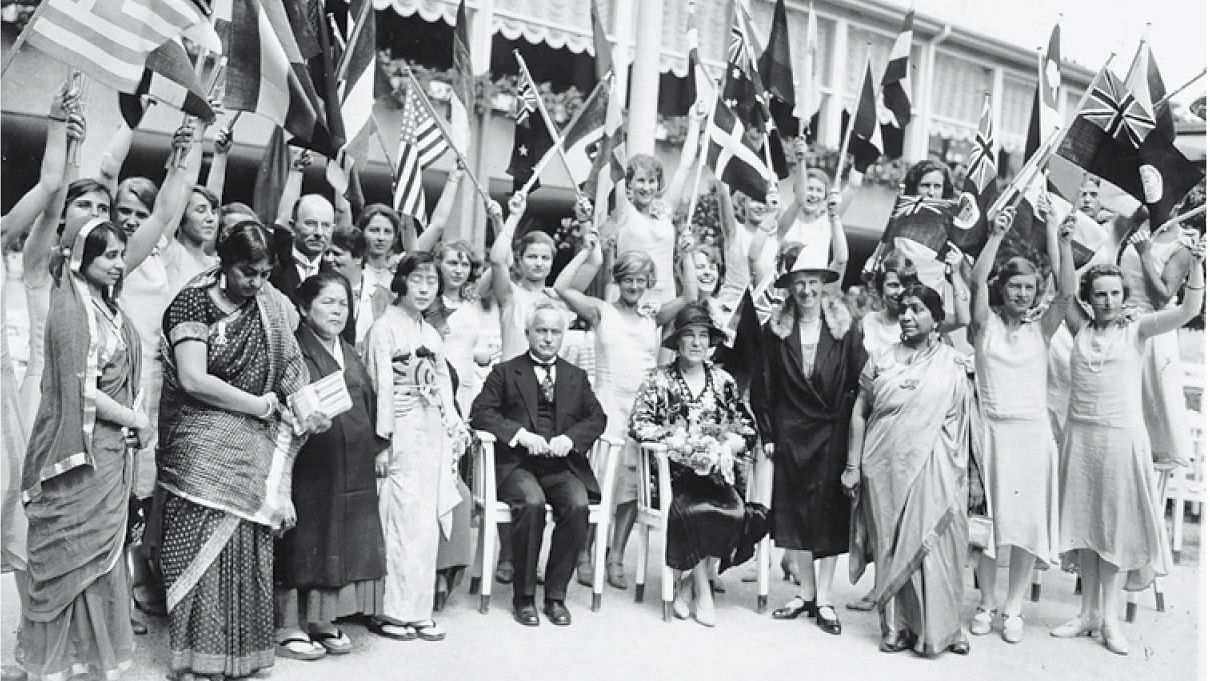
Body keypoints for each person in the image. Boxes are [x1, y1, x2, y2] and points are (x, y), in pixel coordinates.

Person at [157, 221, 325, 680]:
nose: (256, 282)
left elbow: (289, 364)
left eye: (265, 273)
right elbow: (193, 380)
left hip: (255, 440)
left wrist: (306, 407)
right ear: (224, 262)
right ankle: (195, 660)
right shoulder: (192, 302)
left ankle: (239, 658)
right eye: (247, 272)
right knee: (199, 547)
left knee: (246, 546)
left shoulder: (270, 304)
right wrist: (257, 405)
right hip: (198, 436)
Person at [1051, 250, 1205, 656]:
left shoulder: (1137, 329)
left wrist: (1198, 265)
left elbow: (1190, 308)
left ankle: (1109, 620)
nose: (1108, 301)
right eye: (1100, 294)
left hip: (1120, 441)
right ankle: (1085, 614)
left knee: (1113, 530)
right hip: (1081, 438)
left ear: (1125, 295)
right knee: (1084, 528)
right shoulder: (1079, 324)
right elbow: (1064, 288)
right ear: (1089, 297)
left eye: (1115, 293)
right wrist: (1063, 243)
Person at [16, 218, 147, 681]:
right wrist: (134, 418)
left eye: (120, 254)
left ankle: (91, 664)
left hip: (111, 454)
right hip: (79, 456)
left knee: (102, 563)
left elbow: (125, 378)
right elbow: (79, 389)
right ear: (80, 256)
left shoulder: (109, 307)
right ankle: (55, 668)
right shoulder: (71, 308)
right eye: (108, 254)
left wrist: (134, 423)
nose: (118, 263)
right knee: (70, 554)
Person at [555, 233, 698, 589]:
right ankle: (585, 553)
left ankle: (616, 554)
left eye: (641, 280)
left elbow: (692, 296)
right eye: (628, 279)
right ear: (618, 281)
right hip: (605, 403)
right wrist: (589, 253)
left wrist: (687, 256)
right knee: (599, 480)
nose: (634, 285)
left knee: (632, 486)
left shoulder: (654, 316)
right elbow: (560, 287)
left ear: (649, 284)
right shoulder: (600, 311)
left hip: (641, 406)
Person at [843, 283, 975, 656]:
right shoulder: (881, 357)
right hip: (882, 465)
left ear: (936, 319)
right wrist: (852, 466)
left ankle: (944, 628)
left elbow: (963, 423)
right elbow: (859, 412)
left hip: (937, 467)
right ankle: (895, 627)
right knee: (889, 543)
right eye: (903, 309)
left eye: (916, 309)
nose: (906, 315)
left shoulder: (952, 362)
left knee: (940, 544)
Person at [967, 206, 1075, 643]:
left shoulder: (1042, 329)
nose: (1024, 294)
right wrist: (994, 235)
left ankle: (1013, 608)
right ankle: (986, 603)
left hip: (1031, 437)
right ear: (1003, 288)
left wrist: (1062, 243)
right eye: (1016, 286)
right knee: (991, 525)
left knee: (1025, 525)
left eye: (1030, 288)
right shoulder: (984, 325)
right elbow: (975, 279)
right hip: (992, 433)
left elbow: (1067, 294)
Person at [752, 220, 864, 636]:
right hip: (792, 431)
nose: (807, 291)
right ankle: (805, 593)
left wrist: (855, 442)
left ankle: (827, 598)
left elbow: (860, 381)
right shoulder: (775, 331)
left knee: (830, 515)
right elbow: (762, 386)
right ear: (789, 287)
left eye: (814, 282)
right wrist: (767, 435)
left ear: (824, 285)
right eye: (799, 283)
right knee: (796, 513)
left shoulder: (846, 327)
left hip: (832, 431)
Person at [628, 303, 767, 627]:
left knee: (735, 512)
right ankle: (704, 591)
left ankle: (690, 584)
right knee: (696, 510)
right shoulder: (658, 380)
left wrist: (728, 442)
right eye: (688, 335)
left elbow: (746, 427)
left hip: (717, 476)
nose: (696, 343)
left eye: (703, 336)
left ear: (711, 342)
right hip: (672, 477)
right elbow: (638, 425)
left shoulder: (723, 381)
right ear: (677, 342)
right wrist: (677, 438)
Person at [470, 302, 607, 627]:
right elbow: (481, 412)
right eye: (541, 331)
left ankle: (556, 596)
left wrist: (570, 439)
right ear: (528, 332)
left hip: (561, 465)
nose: (547, 338)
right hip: (518, 465)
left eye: (554, 332)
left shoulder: (576, 376)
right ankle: (524, 597)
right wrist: (519, 434)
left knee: (577, 505)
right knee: (531, 503)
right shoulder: (505, 372)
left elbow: (597, 417)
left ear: (563, 336)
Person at [274, 273, 388, 660]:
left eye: (343, 303)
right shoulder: (292, 349)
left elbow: (369, 402)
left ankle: (322, 620)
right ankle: (288, 624)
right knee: (304, 536)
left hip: (351, 460)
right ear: (304, 309)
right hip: (308, 460)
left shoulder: (349, 351)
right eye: (327, 302)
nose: (337, 310)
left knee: (339, 537)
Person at [364, 252, 469, 642]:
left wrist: (455, 424)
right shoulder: (384, 330)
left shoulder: (431, 334)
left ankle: (418, 609)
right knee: (398, 520)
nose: (425, 288)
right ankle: (391, 610)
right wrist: (383, 442)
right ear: (401, 282)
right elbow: (380, 389)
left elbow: (442, 386)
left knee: (424, 524)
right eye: (417, 279)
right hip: (400, 433)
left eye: (432, 281)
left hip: (430, 433)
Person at [1118, 200, 1202, 468]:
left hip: (1155, 328)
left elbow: (1161, 297)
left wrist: (1145, 254)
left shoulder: (1182, 246)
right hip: (1122, 322)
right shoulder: (1137, 221)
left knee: (1153, 407)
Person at [325, 227, 393, 352]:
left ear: (358, 258)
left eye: (336, 254)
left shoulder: (384, 298)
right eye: (326, 253)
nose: (328, 259)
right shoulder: (317, 290)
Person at [270, 194, 336, 308]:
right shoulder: (271, 270)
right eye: (310, 224)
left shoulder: (337, 279)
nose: (319, 233)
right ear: (292, 226)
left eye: (326, 225)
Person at [162, 186, 220, 293]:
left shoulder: (216, 265)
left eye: (214, 211)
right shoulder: (170, 252)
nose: (211, 218)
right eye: (201, 210)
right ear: (181, 215)